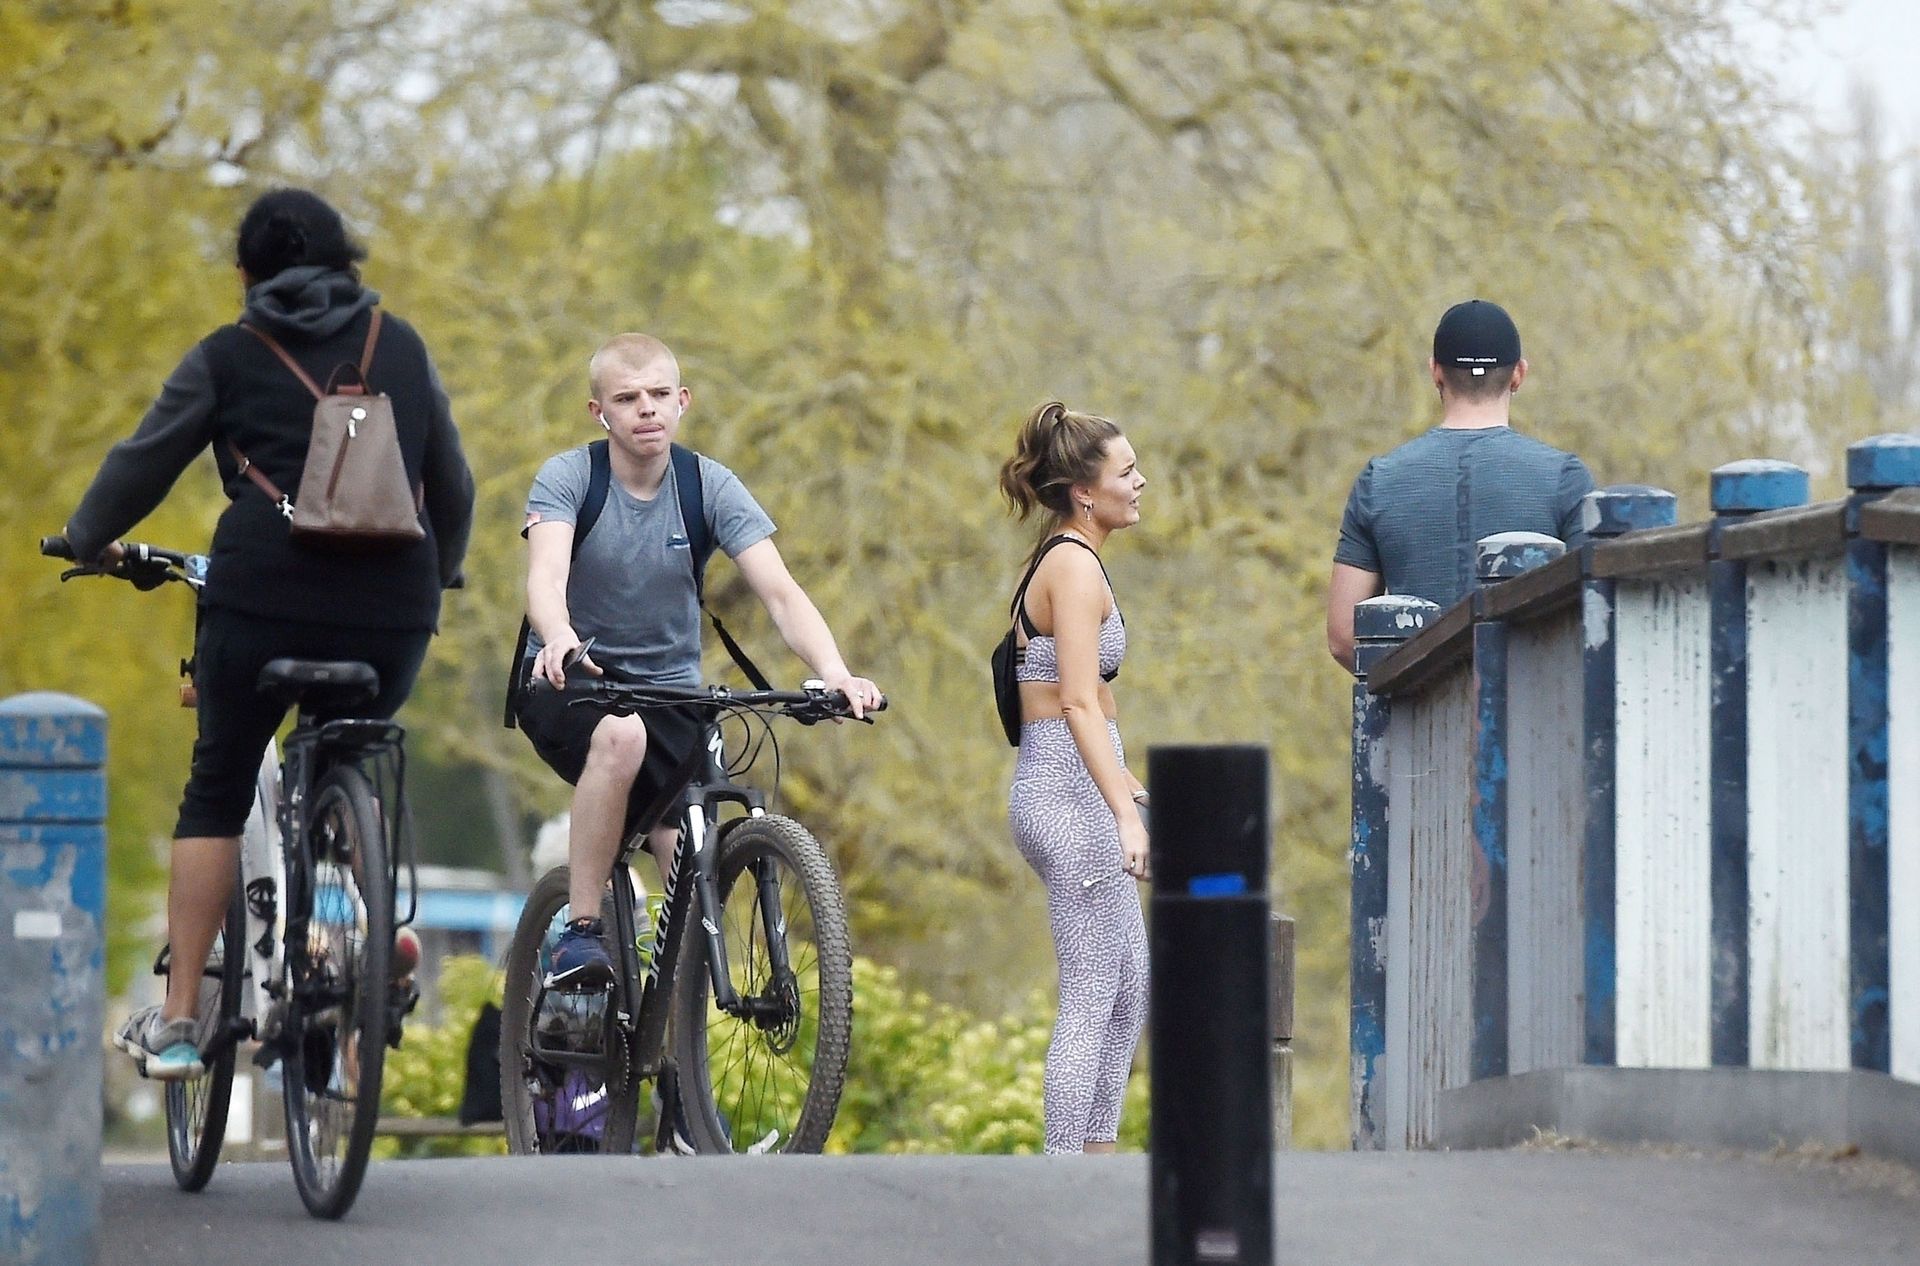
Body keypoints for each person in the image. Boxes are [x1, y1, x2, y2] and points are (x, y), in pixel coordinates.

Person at [63, 188, 474, 1079]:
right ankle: (360, 929)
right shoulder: (398, 346)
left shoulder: (228, 354)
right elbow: (454, 484)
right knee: (346, 749)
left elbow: (144, 461)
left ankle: (177, 1025)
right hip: (393, 611)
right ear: (347, 263)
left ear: (246, 273)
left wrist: (89, 537)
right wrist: (442, 572)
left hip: (262, 599)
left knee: (217, 780)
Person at [510, 332, 881, 985]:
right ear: (599, 412)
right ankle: (582, 932)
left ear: (682, 401)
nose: (646, 409)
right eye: (627, 398)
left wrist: (837, 671)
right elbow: (544, 577)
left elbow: (782, 594)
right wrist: (560, 634)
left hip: (672, 694)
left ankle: (674, 1015)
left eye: (658, 395)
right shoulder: (570, 477)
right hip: (571, 681)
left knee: (687, 836)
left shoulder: (709, 485)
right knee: (621, 738)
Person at [998, 400, 1150, 1155]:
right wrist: (1124, 812)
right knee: (1094, 995)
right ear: (1085, 492)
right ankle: (1064, 1176)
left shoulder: (1071, 559)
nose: (1140, 482)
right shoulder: (1073, 566)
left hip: (1079, 785)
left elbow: (1094, 701)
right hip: (1064, 794)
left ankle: (1096, 1163)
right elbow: (1078, 702)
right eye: (1127, 472)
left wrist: (1124, 787)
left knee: (1130, 990)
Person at [1327, 299, 1596, 671]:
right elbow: (1593, 615)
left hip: (1411, 721)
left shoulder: (1380, 480)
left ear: (1436, 372)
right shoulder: (1564, 478)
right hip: (1531, 718)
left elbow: (1344, 637)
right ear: (1519, 374)